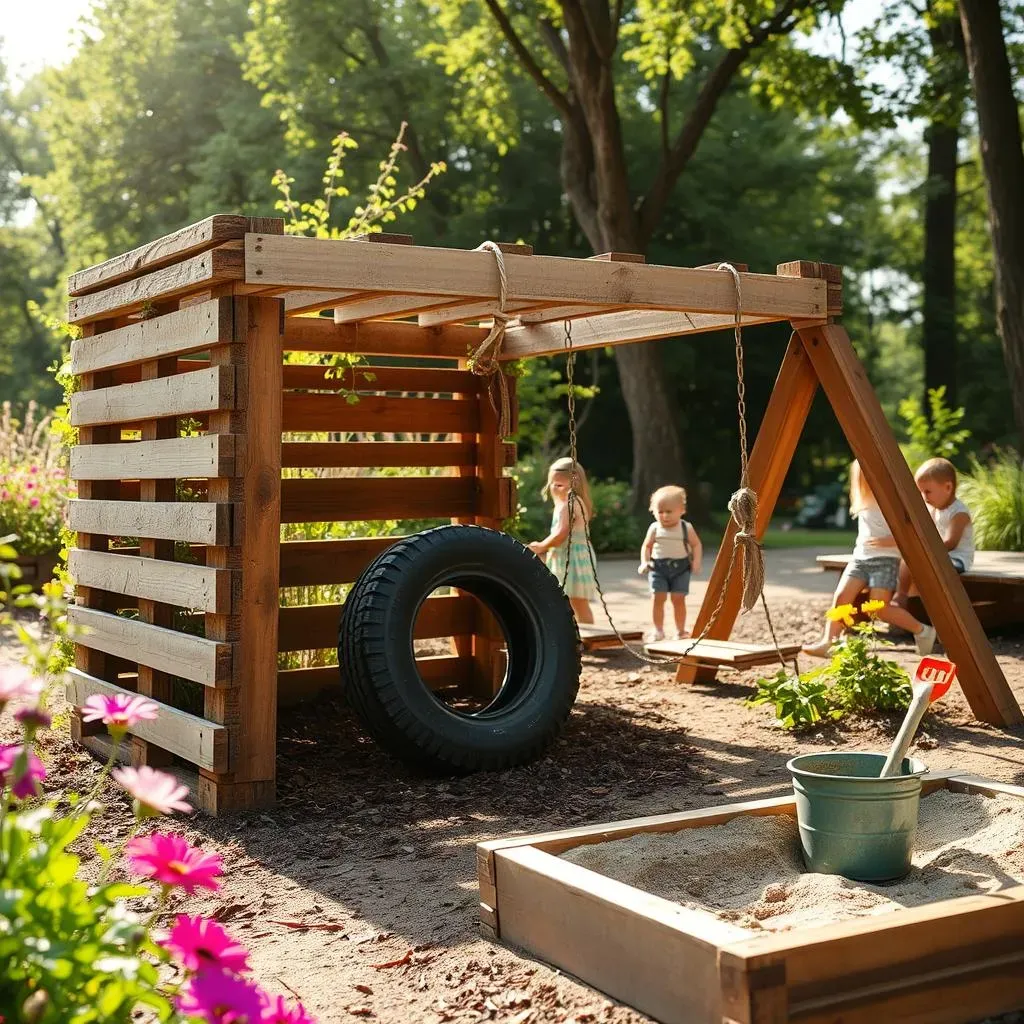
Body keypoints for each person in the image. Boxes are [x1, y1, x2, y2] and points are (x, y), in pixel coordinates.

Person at [803, 460, 937, 657]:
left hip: (885, 560)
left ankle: (923, 630)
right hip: (860, 559)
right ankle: (829, 642)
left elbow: (912, 534)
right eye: (862, 477)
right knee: (841, 599)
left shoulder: (892, 500)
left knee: (879, 609)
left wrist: (887, 542)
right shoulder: (864, 501)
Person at [894, 457, 975, 606]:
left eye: (928, 492)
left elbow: (951, 543)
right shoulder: (934, 510)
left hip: (957, 558)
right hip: (939, 554)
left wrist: (926, 548)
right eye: (921, 492)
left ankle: (935, 604)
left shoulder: (959, 513)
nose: (924, 497)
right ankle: (902, 594)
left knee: (930, 567)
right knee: (909, 558)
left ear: (948, 487)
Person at [528, 457, 597, 624]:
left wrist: (542, 546)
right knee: (571, 601)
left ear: (574, 483)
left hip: (572, 558)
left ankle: (587, 634)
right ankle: (577, 635)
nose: (553, 488)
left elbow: (562, 533)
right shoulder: (565, 504)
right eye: (552, 483)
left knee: (578, 601)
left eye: (559, 485)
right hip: (567, 555)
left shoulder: (570, 504)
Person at [638, 485, 703, 642]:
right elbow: (646, 546)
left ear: (681, 510)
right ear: (653, 511)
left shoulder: (685, 527)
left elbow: (696, 544)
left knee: (678, 599)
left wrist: (696, 562)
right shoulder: (654, 528)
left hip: (681, 568)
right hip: (658, 568)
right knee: (657, 598)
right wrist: (645, 561)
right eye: (660, 512)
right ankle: (658, 630)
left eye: (669, 511)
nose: (664, 516)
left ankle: (680, 631)